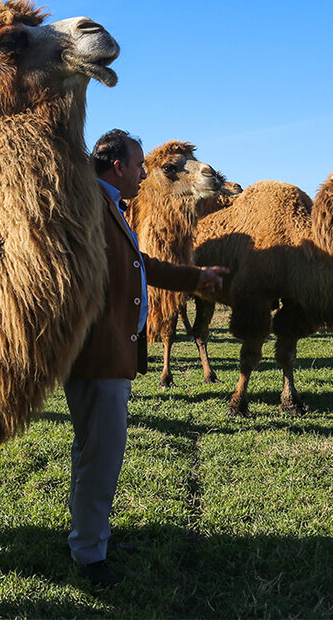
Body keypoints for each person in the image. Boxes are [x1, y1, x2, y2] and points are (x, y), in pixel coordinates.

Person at [66, 129, 228, 588]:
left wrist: (194, 275)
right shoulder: (89, 207)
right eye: (139, 167)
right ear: (119, 167)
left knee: (94, 453)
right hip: (99, 354)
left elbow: (142, 265)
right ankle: (90, 558)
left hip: (109, 351)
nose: (140, 174)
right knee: (101, 455)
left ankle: (92, 539)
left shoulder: (108, 207)